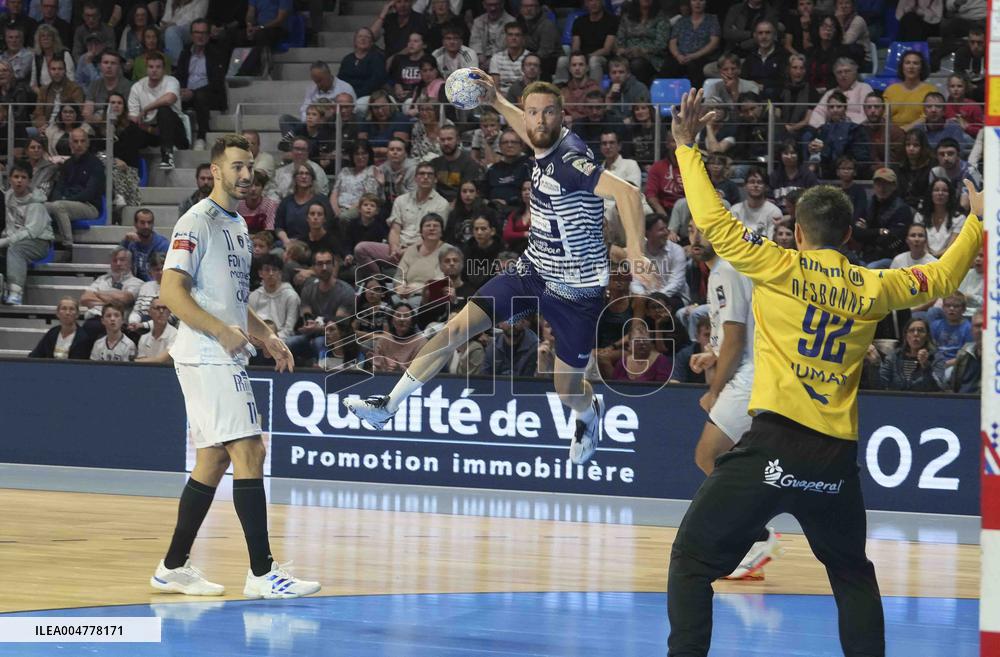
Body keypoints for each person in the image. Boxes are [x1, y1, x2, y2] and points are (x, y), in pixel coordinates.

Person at [665, 87, 983, 657]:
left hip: (773, 445)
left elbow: (713, 219)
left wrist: (687, 149)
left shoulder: (776, 264)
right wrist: (978, 226)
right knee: (851, 574)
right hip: (835, 459)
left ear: (800, 231)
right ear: (849, 235)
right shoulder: (875, 285)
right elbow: (938, 279)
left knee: (690, 561)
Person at [345, 75, 651, 466]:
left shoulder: (572, 161)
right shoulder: (541, 140)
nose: (538, 120)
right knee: (454, 329)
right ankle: (388, 406)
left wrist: (638, 253)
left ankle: (589, 416)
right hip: (533, 270)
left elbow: (629, 193)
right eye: (533, 112)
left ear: (563, 116)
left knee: (567, 389)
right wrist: (495, 100)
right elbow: (527, 128)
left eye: (548, 113)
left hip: (578, 293)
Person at [154, 133, 321, 599]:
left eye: (249, 167)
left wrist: (265, 335)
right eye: (236, 167)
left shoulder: (238, 225)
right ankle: (263, 573)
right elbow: (170, 292)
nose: (245, 174)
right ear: (214, 171)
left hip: (219, 350)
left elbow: (234, 298)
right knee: (251, 450)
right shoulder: (197, 220)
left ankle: (172, 567)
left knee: (212, 459)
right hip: (207, 352)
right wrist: (222, 332)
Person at [686, 219, 777, 581]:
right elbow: (731, 334)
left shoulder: (727, 270)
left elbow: (737, 338)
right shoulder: (721, 272)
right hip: (749, 369)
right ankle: (748, 536)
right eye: (691, 229)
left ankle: (758, 536)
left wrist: (714, 391)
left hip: (749, 376)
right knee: (729, 462)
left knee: (707, 455)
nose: (696, 236)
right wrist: (712, 353)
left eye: (704, 229)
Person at [0, 161, 53, 305]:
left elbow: (31, 231)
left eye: (23, 177)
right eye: (16, 176)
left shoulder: (36, 203)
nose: (19, 181)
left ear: (29, 180)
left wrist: (6, 241)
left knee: (16, 249)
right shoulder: (7, 198)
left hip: (38, 242)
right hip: (13, 238)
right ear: (10, 179)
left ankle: (16, 292)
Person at [124, 52, 189, 170]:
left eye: (158, 67)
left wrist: (146, 109)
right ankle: (131, 168)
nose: (154, 70)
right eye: (151, 67)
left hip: (175, 131)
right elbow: (133, 118)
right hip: (150, 130)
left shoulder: (171, 81)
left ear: (164, 69)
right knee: (130, 130)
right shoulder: (137, 87)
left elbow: (169, 99)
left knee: (164, 110)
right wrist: (151, 129)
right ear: (146, 68)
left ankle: (167, 156)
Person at [45, 129, 105, 250]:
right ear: (70, 144)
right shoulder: (67, 164)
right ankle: (44, 244)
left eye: (82, 141)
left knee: (58, 206)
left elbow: (89, 193)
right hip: (67, 203)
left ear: (87, 143)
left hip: (89, 206)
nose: (79, 145)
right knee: (41, 206)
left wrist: (65, 199)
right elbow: (58, 188)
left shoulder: (96, 164)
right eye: (76, 141)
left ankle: (68, 246)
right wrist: (60, 198)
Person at [175, 19, 227, 150]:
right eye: (197, 32)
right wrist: (181, 90)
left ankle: (201, 137)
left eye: (204, 32)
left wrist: (193, 93)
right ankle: (176, 141)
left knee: (200, 96)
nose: (200, 36)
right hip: (187, 93)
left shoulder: (216, 54)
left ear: (209, 35)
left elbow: (217, 83)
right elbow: (179, 76)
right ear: (191, 35)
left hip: (210, 95)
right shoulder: (185, 53)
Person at [878, 316, 945, 390]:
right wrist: (875, 364)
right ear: (906, 335)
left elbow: (938, 387)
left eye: (921, 330)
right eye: (911, 330)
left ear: (927, 336)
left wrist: (926, 366)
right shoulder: (894, 357)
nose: (916, 334)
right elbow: (880, 384)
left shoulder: (936, 358)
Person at [615, 0, 671, 87]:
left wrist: (641, 51)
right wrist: (624, 50)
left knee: (637, 64)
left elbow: (661, 45)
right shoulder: (627, 17)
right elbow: (620, 40)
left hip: (652, 59)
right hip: (627, 56)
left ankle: (640, 95)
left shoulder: (661, 18)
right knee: (616, 64)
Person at [249, 254, 301, 339]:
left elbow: (289, 329)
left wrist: (274, 339)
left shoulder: (291, 296)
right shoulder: (254, 296)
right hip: (258, 338)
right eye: (267, 270)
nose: (271, 273)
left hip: (282, 339)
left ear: (280, 273)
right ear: (260, 273)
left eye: (274, 270)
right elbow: (250, 325)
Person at [883, 51, 938, 130]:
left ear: (921, 68)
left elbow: (926, 117)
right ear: (902, 67)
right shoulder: (890, 90)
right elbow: (885, 115)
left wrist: (905, 129)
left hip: (920, 134)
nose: (911, 66)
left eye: (915, 63)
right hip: (893, 135)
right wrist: (895, 132)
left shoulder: (931, 90)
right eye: (907, 63)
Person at [914, 177, 965, 257]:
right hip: (924, 258)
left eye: (944, 190)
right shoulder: (920, 216)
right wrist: (929, 257)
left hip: (949, 258)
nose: (940, 193)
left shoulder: (959, 218)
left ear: (950, 195)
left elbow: (953, 245)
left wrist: (937, 256)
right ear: (931, 193)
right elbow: (920, 241)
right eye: (936, 190)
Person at [338, 27, 387, 100]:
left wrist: (356, 95)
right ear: (355, 41)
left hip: (368, 96)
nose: (363, 39)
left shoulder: (377, 58)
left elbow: (376, 82)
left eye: (367, 37)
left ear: (372, 42)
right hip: (348, 96)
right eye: (360, 36)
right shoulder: (347, 59)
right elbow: (341, 79)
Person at [121, 208, 169, 281]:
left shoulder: (162, 245)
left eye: (149, 223)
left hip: (154, 285)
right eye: (142, 223)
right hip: (132, 283)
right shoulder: (129, 242)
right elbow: (117, 262)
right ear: (135, 224)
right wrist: (125, 241)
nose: (146, 226)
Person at [469, 0, 515, 69]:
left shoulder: (511, 22)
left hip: (503, 62)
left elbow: (509, 46)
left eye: (496, 5)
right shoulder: (478, 21)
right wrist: (479, 56)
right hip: (480, 62)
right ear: (484, 5)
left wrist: (492, 61)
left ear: (502, 4)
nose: (493, 8)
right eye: (489, 5)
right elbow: (474, 42)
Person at [135, 297, 178, 363]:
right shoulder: (144, 338)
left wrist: (133, 361)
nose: (161, 311)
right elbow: (141, 365)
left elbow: (160, 360)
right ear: (149, 312)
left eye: (164, 308)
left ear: (169, 311)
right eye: (157, 308)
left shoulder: (176, 335)